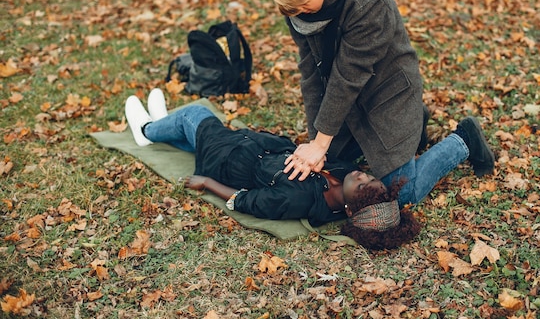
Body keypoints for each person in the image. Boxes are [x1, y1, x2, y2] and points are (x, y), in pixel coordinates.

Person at [123, 89, 495, 249]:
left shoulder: (295, 199)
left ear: (348, 208)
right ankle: (165, 125)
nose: (361, 174)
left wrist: (207, 183)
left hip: (226, 158)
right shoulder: (347, 174)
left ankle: (146, 130)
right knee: (189, 126)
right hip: (255, 142)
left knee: (196, 116)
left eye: (362, 184)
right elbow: (369, 177)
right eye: (368, 177)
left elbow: (246, 202)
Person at [267, 0, 429, 185]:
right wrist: (315, 143)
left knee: (401, 190)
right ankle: (415, 126)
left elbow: (348, 78)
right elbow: (312, 74)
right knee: (333, 167)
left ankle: (462, 140)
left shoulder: (369, 2)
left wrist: (321, 143)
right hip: (346, 99)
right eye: (291, 8)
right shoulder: (295, 6)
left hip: (387, 92)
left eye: (303, 5)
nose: (297, 12)